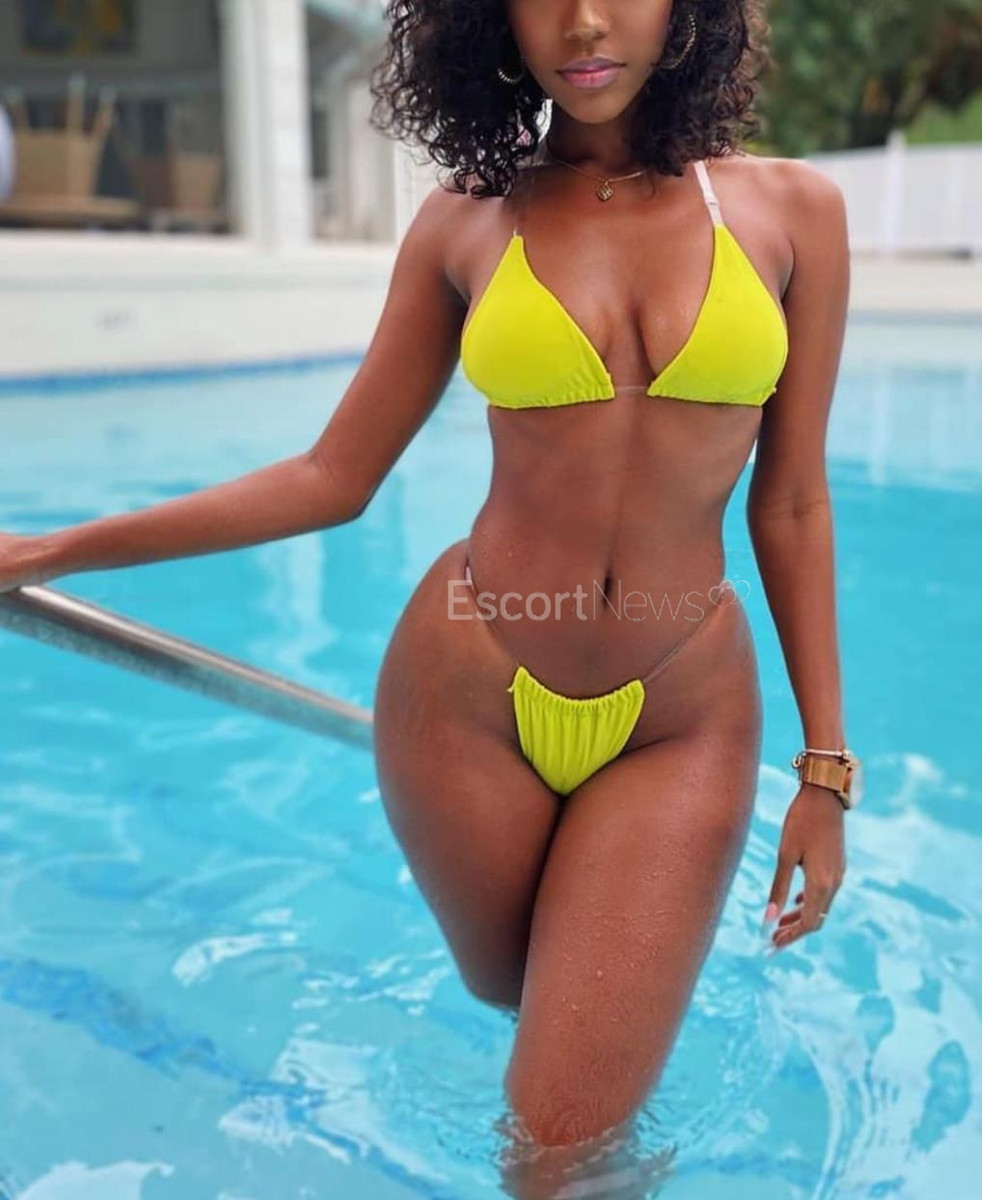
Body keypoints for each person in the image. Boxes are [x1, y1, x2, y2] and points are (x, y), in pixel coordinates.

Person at [0, 0, 855, 1186]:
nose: (584, 21)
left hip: (679, 714)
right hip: (468, 695)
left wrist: (825, 770)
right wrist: (47, 549)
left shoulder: (791, 211)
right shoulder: (467, 221)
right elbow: (331, 478)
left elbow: (792, 504)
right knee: (519, 998)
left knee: (560, 1149)